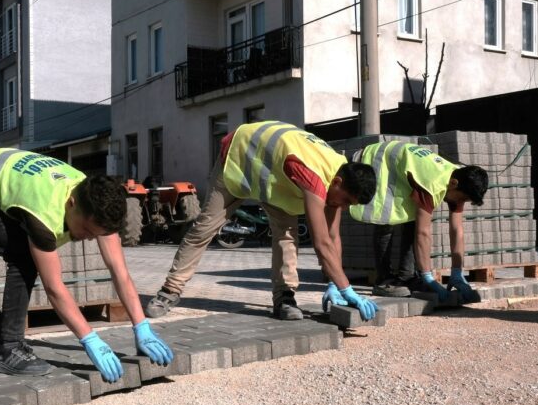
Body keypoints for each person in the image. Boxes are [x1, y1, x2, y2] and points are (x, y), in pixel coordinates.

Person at [0, 148, 174, 380]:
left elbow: (120, 273)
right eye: (86, 230)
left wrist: (141, 327)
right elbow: (54, 287)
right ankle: (9, 350)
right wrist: (89, 339)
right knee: (23, 257)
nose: (89, 238)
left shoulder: (95, 199)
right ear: (71, 203)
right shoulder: (44, 214)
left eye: (96, 234)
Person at [145, 120, 380, 321]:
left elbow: (332, 236)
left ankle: (284, 299)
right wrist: (346, 288)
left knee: (287, 235)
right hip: (239, 160)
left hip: (274, 177)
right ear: (337, 182)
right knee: (203, 230)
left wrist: (332, 283)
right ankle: (169, 291)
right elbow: (321, 244)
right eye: (347, 200)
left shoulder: (337, 178)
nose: (344, 207)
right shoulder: (315, 177)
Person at [349, 140, 489, 303]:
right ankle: (384, 280)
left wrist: (457, 272)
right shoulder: (432, 183)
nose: (462, 202)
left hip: (398, 166)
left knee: (412, 218)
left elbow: (457, 229)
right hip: (376, 161)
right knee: (385, 218)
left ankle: (406, 277)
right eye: (463, 198)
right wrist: (428, 277)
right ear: (453, 184)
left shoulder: (458, 180)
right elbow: (423, 232)